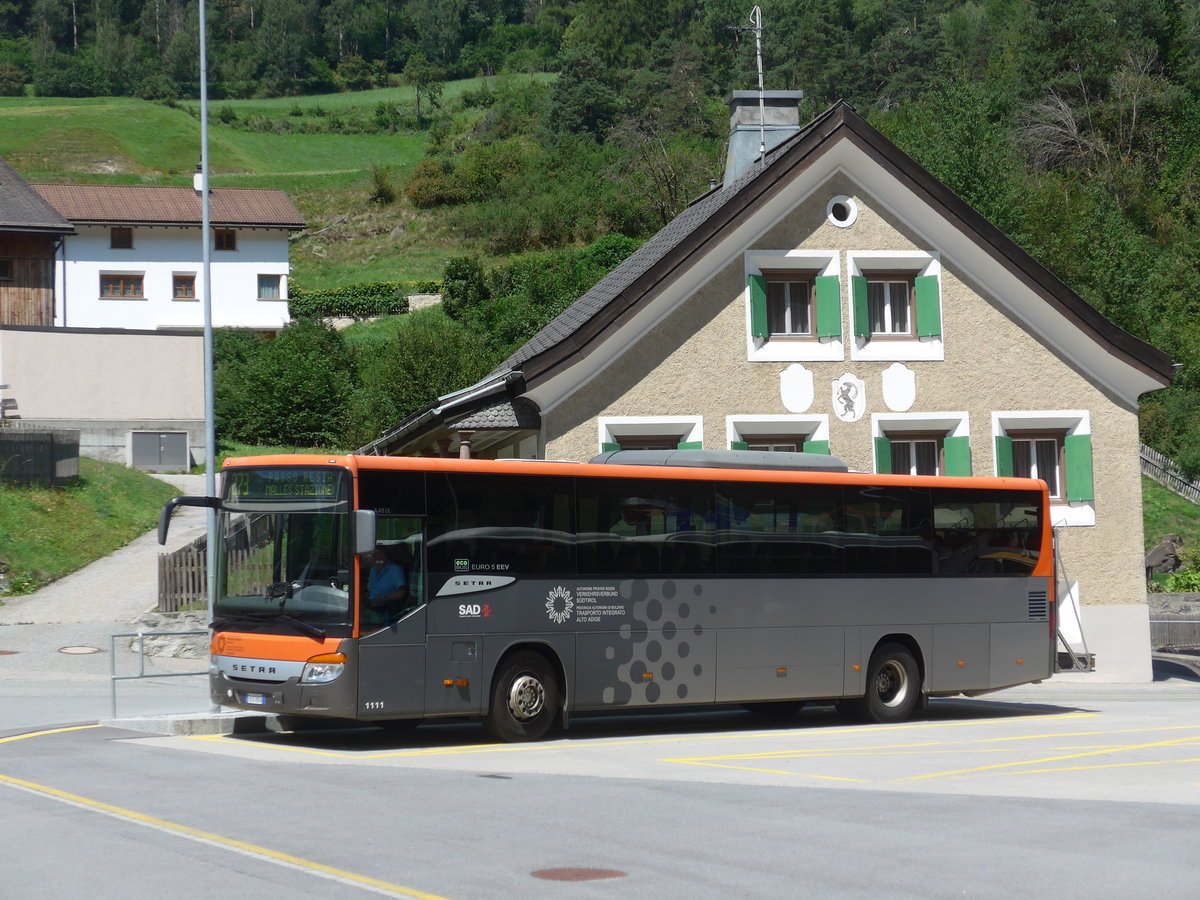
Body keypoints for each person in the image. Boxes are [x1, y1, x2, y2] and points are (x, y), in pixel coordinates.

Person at [363, 545, 409, 623]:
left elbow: (402, 592)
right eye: (373, 554)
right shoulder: (373, 570)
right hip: (371, 609)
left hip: (386, 613)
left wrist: (382, 598)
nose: (377, 557)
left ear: (386, 555)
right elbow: (370, 591)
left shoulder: (395, 570)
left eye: (379, 553)